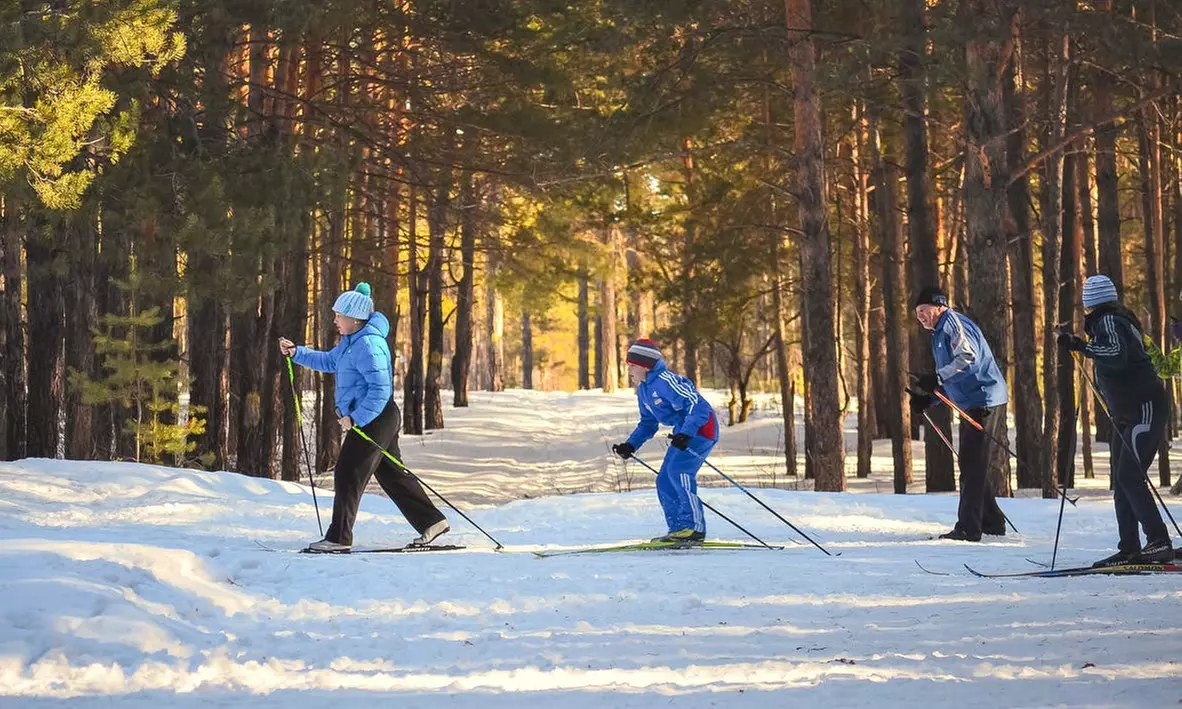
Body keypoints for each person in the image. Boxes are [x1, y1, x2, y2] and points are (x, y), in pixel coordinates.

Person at [278, 282, 449, 553]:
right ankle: (433, 521)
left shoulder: (369, 344)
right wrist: (297, 352)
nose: (335, 320)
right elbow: (329, 362)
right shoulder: (350, 342)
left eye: (339, 316)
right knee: (392, 475)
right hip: (376, 416)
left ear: (355, 319)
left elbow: (381, 389)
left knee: (348, 472)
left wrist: (356, 418)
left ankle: (339, 538)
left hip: (375, 417)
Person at [1058, 275, 1175, 566]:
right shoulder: (1110, 321)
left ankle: (1158, 541)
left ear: (1090, 302)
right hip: (1128, 413)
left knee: (1130, 477)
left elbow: (1117, 355)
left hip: (1143, 409)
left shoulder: (1109, 320)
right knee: (1122, 481)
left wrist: (1081, 346)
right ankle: (1130, 547)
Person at [910, 286, 1009, 542]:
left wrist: (936, 377)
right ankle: (992, 521)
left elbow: (967, 358)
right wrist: (928, 399)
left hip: (984, 398)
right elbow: (950, 377)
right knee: (970, 463)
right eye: (916, 313)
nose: (920, 316)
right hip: (971, 402)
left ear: (939, 305)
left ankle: (968, 528)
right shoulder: (938, 332)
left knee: (972, 464)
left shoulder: (951, 324)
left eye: (923, 310)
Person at [611, 339, 719, 543]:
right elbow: (648, 423)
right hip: (684, 431)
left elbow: (698, 406)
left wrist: (686, 433)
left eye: (632, 365)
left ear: (644, 365)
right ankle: (678, 529)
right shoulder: (643, 390)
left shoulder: (665, 381)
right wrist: (630, 445)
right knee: (664, 479)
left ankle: (693, 528)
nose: (630, 370)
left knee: (678, 472)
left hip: (702, 429)